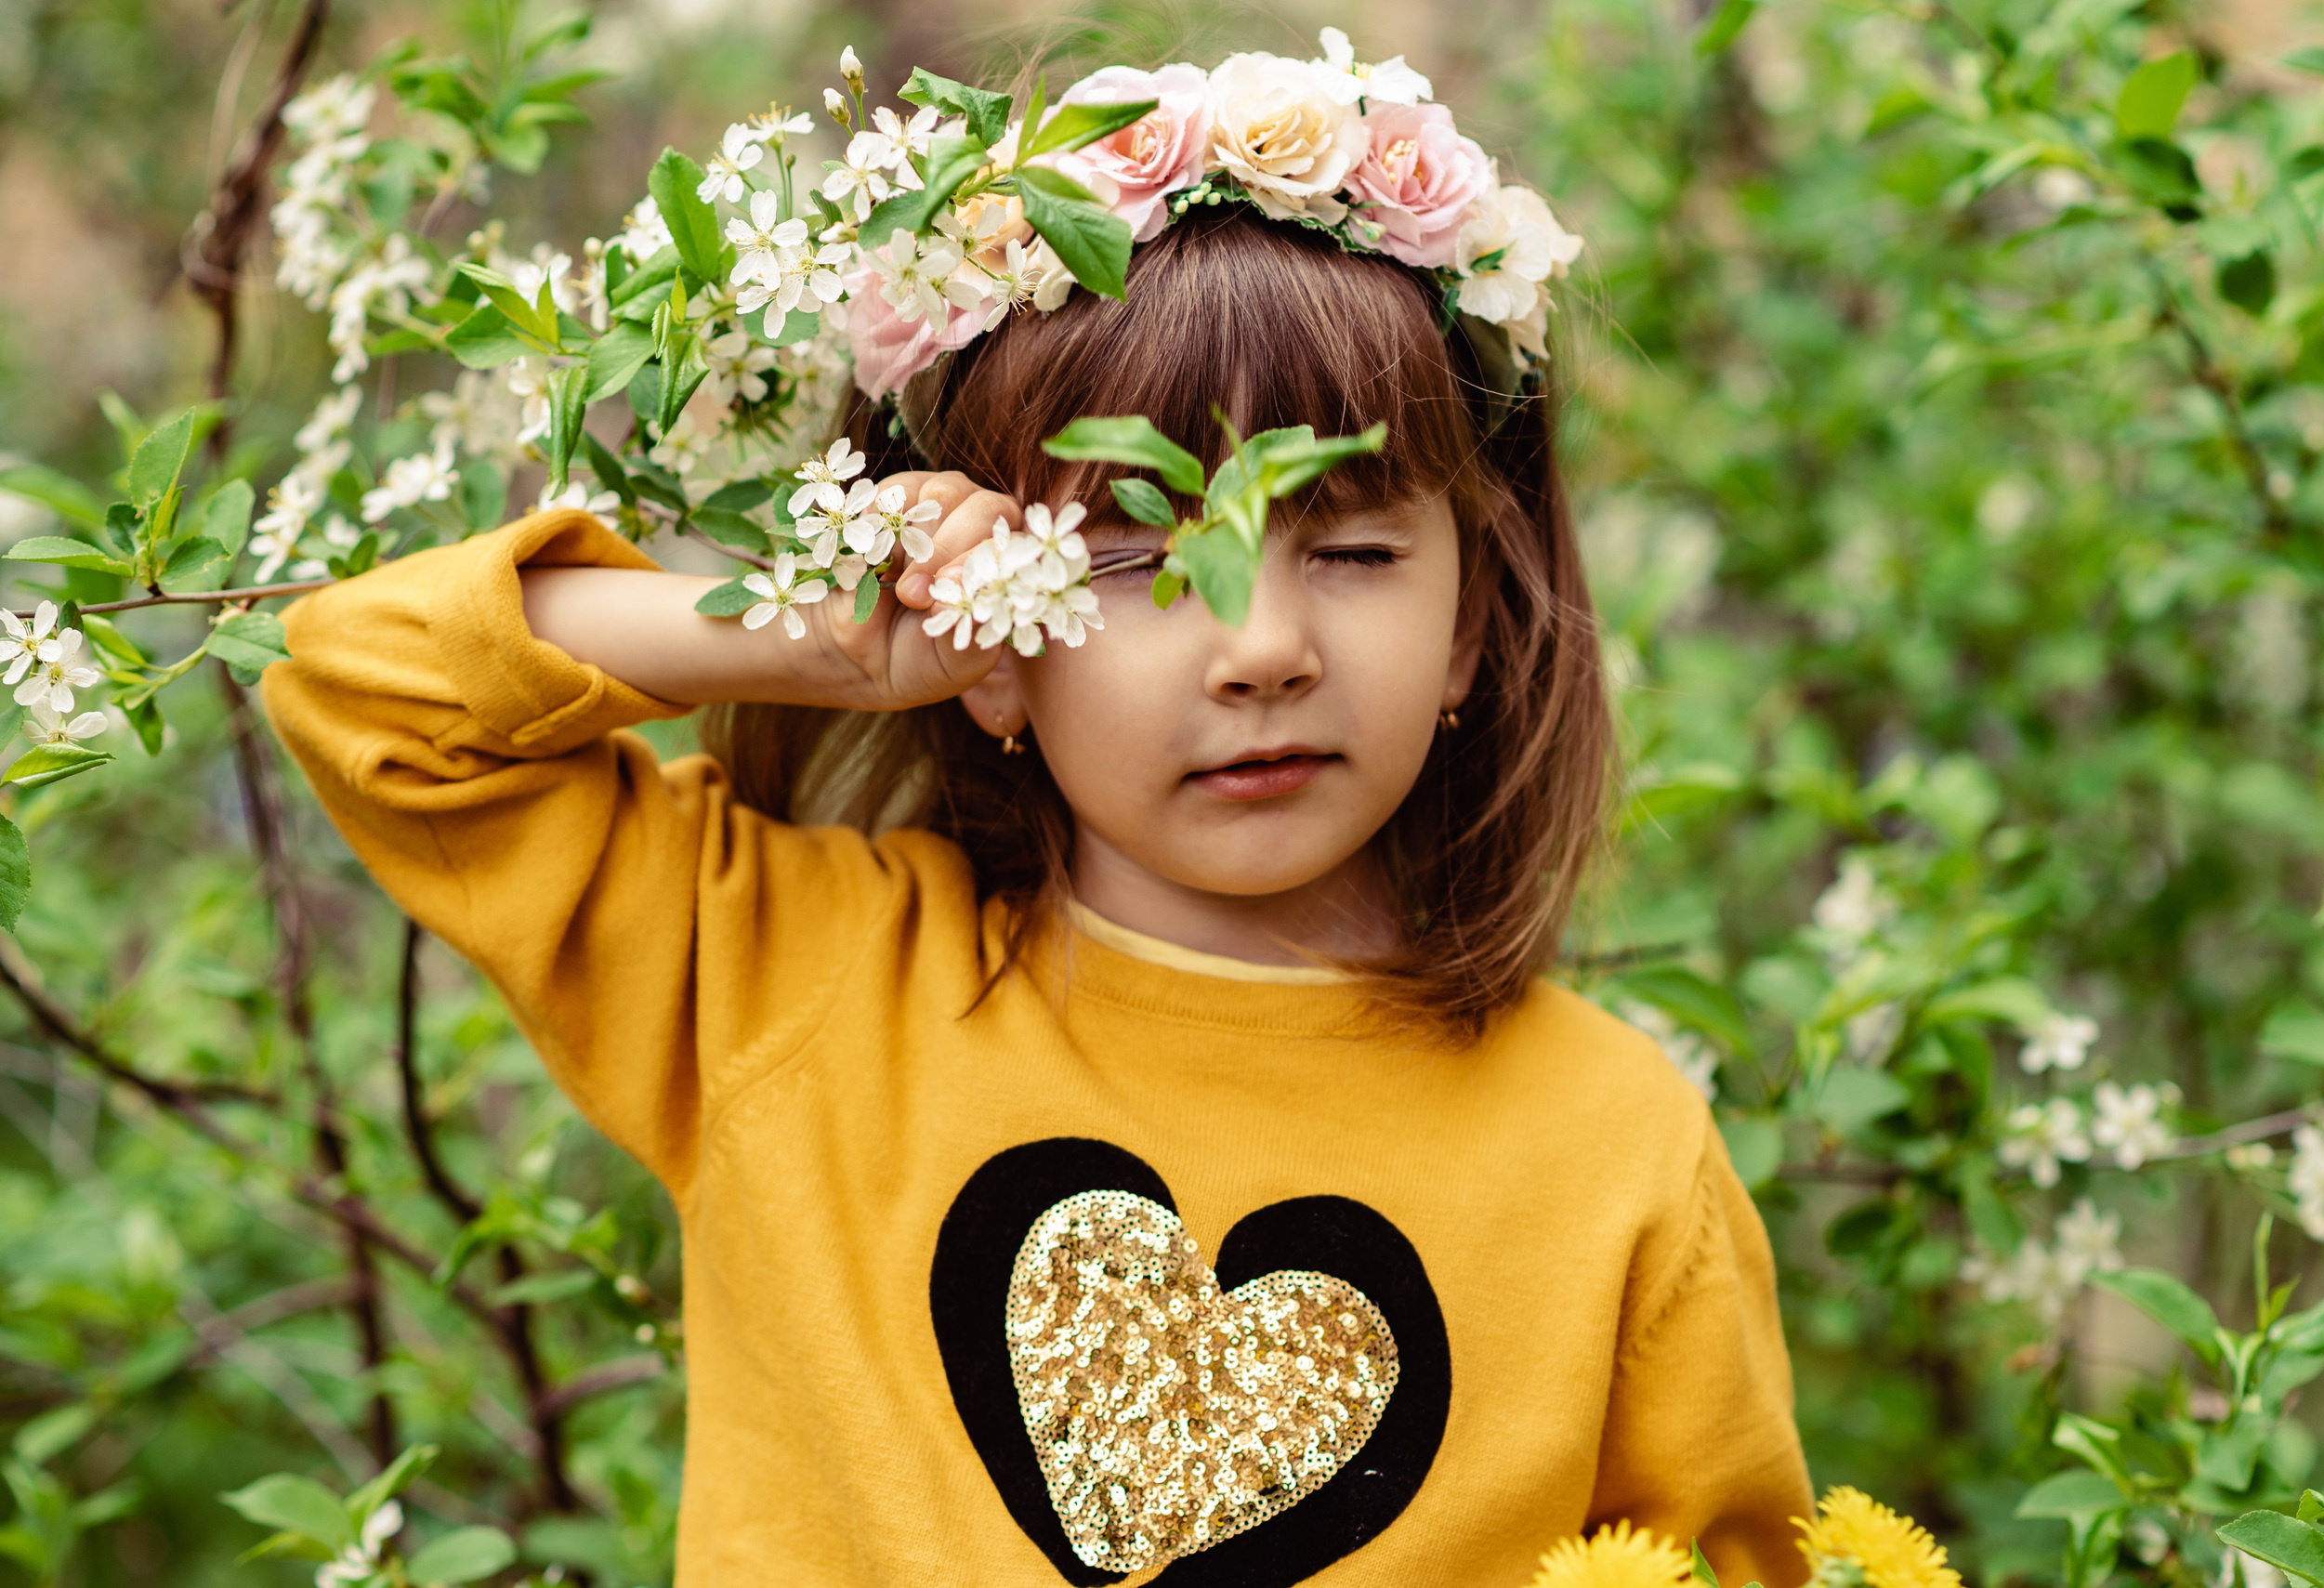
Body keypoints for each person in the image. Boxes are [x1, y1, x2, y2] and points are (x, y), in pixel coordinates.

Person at [263, 192, 1809, 1588]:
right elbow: (364, 684)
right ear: (997, 640)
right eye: (1134, 559)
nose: (1262, 643)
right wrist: (837, 631)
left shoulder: (1616, 1146)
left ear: (1473, 624)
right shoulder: (787, 973)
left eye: (1349, 548)